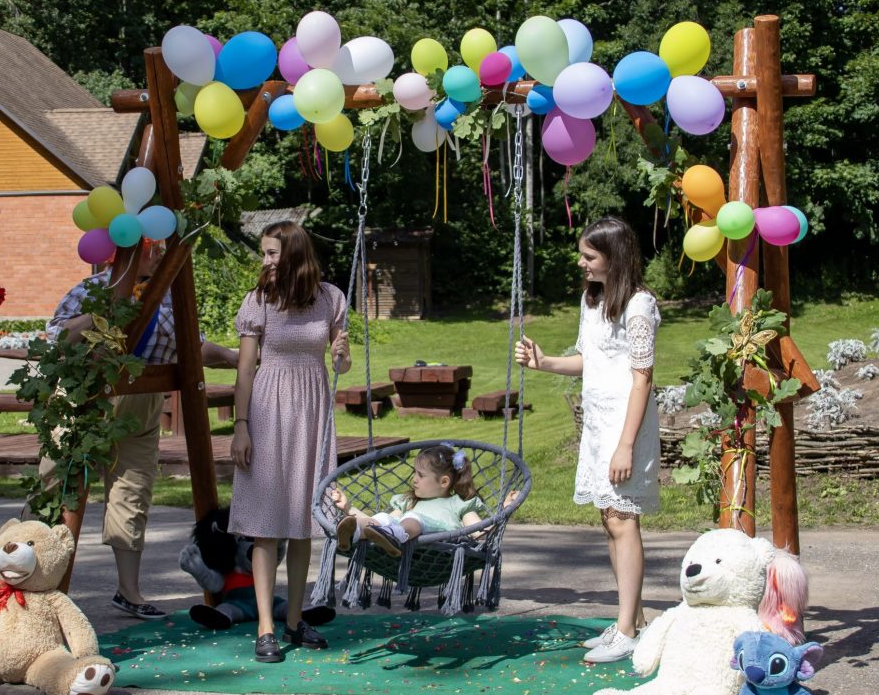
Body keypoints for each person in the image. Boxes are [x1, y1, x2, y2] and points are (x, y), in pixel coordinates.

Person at [47, 239, 237, 620]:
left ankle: (129, 591)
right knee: (61, 488)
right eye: (153, 247)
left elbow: (193, 347)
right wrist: (103, 314)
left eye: (162, 246)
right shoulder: (90, 290)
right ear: (128, 250)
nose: (161, 253)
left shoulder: (167, 298)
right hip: (82, 399)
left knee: (132, 492)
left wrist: (235, 357)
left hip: (140, 402)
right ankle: (43, 585)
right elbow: (56, 339)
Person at [514, 216, 661, 664]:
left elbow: (642, 379)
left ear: (615, 257)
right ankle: (632, 621)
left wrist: (625, 445)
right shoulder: (592, 299)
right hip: (598, 424)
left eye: (589, 256)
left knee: (623, 519)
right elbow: (588, 360)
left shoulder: (639, 306)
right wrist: (543, 363)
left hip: (626, 425)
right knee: (609, 520)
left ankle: (627, 631)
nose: (581, 262)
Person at [229, 221, 350, 664]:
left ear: (295, 254)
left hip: (311, 411)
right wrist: (241, 425)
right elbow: (245, 369)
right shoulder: (259, 300)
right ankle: (265, 627)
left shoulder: (331, 299)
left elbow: (343, 363)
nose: (264, 260)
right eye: (263, 252)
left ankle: (295, 621)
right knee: (266, 525)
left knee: (303, 520)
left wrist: (341, 355)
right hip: (267, 409)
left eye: (271, 253)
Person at [329, 444, 508, 558]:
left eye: (420, 475)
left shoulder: (458, 504)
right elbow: (383, 520)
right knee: (384, 517)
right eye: (415, 473)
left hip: (437, 550)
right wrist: (348, 508)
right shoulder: (409, 501)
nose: (414, 479)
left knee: (413, 518)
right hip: (401, 537)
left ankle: (392, 537)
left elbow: (479, 531)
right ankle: (354, 532)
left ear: (444, 482)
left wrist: (504, 511)